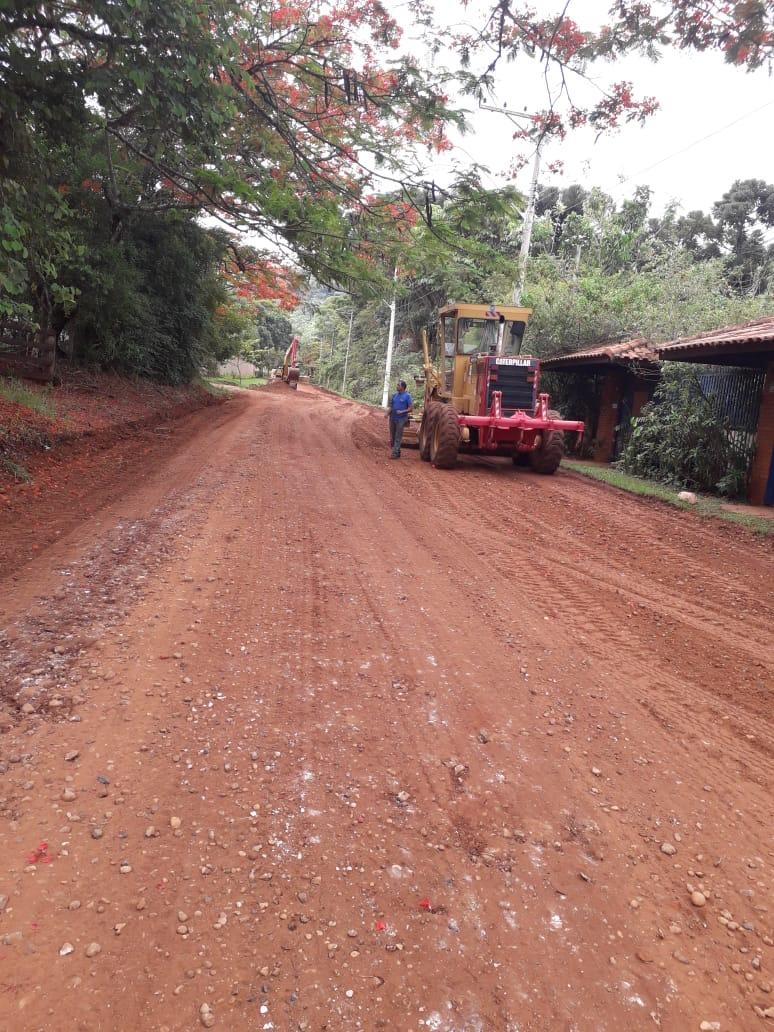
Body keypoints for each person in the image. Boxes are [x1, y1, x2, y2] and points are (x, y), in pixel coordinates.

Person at [386, 379, 414, 459]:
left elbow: (411, 408)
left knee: (398, 436)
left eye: (398, 385)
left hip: (401, 419)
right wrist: (387, 413)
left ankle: (394, 454)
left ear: (402, 387)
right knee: (393, 436)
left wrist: (402, 411)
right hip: (392, 418)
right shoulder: (394, 395)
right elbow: (391, 406)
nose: (397, 386)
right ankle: (397, 452)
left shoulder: (407, 396)